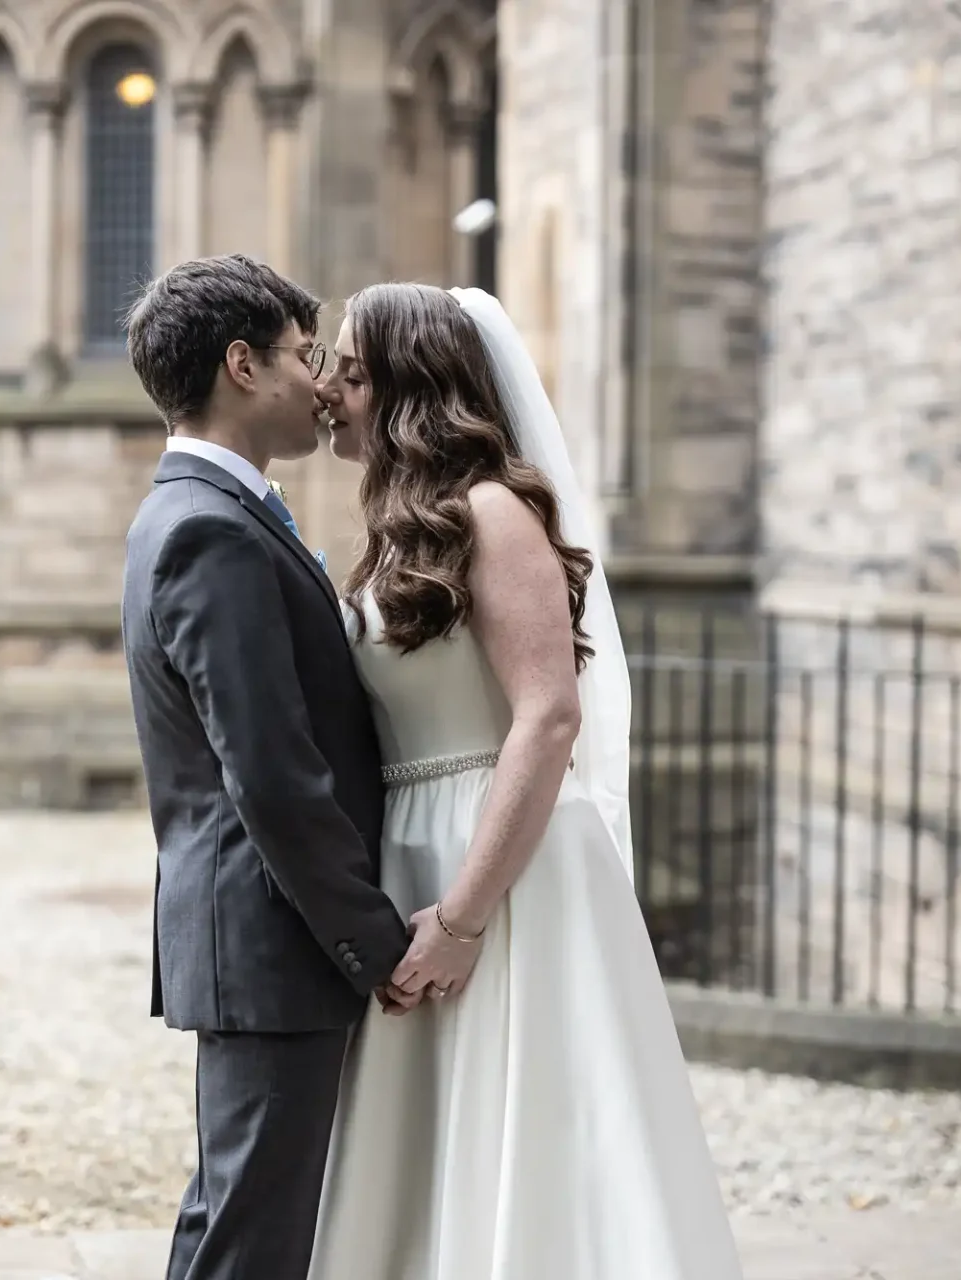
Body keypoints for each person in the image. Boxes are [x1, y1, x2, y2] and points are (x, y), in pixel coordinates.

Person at [306, 282, 744, 1279]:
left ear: (410, 387)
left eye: (353, 368)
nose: (332, 386)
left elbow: (548, 715)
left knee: (531, 1125)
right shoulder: (400, 526)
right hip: (413, 847)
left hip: (503, 864)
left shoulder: (493, 514)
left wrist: (462, 917)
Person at [119, 255, 424, 1280]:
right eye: (305, 354)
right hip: (273, 937)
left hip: (260, 939)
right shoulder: (211, 529)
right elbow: (272, 773)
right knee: (252, 1239)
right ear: (242, 366)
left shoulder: (207, 511)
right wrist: (373, 939)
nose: (322, 381)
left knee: (235, 1221)